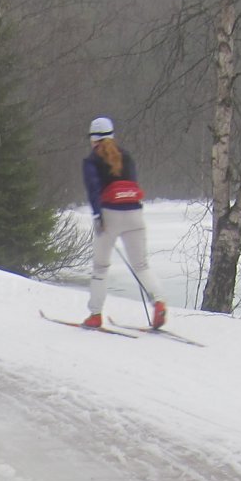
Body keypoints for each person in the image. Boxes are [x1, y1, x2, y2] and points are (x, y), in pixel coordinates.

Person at [81, 116, 166, 330]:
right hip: (135, 212)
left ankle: (95, 315)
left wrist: (98, 216)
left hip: (109, 215)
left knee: (100, 268)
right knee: (141, 265)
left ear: (93, 139)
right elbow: (133, 183)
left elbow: (94, 191)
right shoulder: (126, 156)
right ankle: (159, 302)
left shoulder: (91, 161)